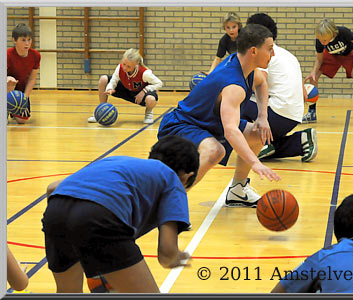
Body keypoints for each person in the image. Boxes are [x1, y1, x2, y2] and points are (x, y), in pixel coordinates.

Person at [41, 135, 199, 293]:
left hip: (55, 211)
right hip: (98, 217)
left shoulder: (116, 161)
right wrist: (175, 257)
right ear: (188, 176)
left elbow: (52, 188)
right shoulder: (173, 180)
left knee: (68, 292)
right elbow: (166, 252)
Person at [158, 24, 281, 208]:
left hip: (208, 123)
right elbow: (231, 130)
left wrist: (263, 116)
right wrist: (255, 163)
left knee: (257, 134)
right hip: (181, 124)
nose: (273, 55)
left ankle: (237, 190)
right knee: (215, 151)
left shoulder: (244, 66)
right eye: (270, 49)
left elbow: (262, 83)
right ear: (254, 51)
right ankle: (169, 204)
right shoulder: (233, 86)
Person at [243, 13, 318, 162]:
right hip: (294, 116)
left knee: (235, 100)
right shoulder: (289, 55)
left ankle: (259, 141)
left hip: (276, 114)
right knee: (267, 153)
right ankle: (301, 141)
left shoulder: (263, 54)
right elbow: (304, 94)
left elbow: (257, 83)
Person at [303, 19, 353, 126]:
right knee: (314, 77)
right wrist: (313, 71)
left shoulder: (343, 32)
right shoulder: (319, 41)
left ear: (331, 34)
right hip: (332, 55)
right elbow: (319, 59)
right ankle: (311, 113)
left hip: (349, 55)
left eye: (324, 40)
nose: (322, 42)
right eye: (320, 40)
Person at [87, 48, 163, 124]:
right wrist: (110, 88)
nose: (125, 68)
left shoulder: (145, 73)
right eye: (124, 64)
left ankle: (149, 113)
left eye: (129, 66)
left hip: (140, 95)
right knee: (103, 79)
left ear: (136, 65)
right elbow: (113, 81)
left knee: (151, 99)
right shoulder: (120, 68)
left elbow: (159, 83)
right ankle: (100, 111)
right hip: (126, 90)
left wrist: (144, 91)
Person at [7, 23, 41, 124]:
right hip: (7, 88)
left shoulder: (36, 55)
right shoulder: (7, 55)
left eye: (29, 40)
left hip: (20, 91)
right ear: (14, 40)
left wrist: (24, 98)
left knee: (21, 121)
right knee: (10, 80)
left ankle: (13, 110)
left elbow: (32, 78)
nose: (27, 43)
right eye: (23, 40)